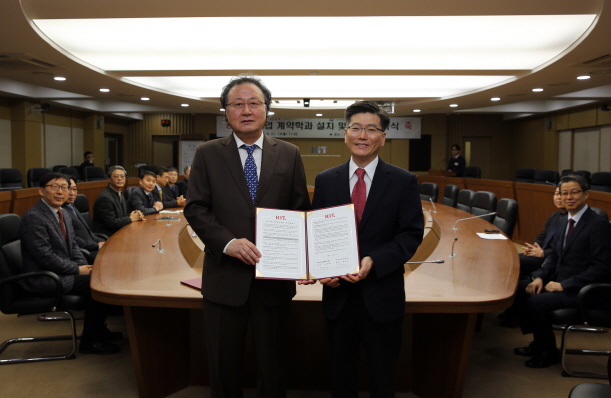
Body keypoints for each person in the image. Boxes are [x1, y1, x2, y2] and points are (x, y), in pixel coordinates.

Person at [184, 75, 310, 397]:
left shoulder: (290, 153)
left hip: (275, 279)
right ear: (225, 111)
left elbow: (299, 210)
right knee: (224, 367)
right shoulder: (207, 153)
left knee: (273, 365)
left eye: (254, 103)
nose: (246, 110)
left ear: (267, 110)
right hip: (225, 279)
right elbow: (196, 208)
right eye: (237, 104)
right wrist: (228, 242)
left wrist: (306, 259)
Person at [306, 101, 424, 397]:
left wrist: (374, 259)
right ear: (345, 134)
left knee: (383, 376)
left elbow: (410, 235)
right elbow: (315, 231)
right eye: (355, 128)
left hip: (382, 294)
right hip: (338, 296)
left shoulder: (403, 181)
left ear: (383, 137)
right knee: (340, 375)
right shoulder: (325, 180)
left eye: (371, 129)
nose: (362, 135)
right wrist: (322, 270)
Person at [513, 175, 611, 368]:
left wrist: (563, 285)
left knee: (535, 302)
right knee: (520, 288)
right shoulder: (564, 221)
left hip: (584, 289)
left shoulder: (598, 225)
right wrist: (540, 277)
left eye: (574, 192)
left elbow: (602, 268)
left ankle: (549, 352)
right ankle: (538, 343)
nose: (569, 197)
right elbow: (555, 257)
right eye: (564, 193)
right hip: (560, 280)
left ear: (586, 194)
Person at [19, 172, 120, 355]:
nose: (61, 191)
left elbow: (73, 245)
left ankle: (98, 330)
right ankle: (90, 341)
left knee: (99, 275)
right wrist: (76, 270)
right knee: (97, 285)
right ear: (41, 191)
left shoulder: (63, 212)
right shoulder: (34, 217)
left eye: (64, 187)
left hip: (62, 271)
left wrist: (83, 266)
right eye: (54, 187)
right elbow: (45, 257)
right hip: (44, 278)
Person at [499, 186, 567, 327]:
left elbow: (566, 249)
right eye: (556, 194)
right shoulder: (554, 216)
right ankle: (514, 310)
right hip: (541, 256)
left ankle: (514, 312)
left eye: (563, 194)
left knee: (514, 262)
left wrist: (542, 253)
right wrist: (534, 247)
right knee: (516, 265)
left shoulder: (571, 221)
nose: (559, 197)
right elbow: (542, 236)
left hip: (552, 260)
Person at [62, 175, 105, 262]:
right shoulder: (61, 211)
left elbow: (88, 232)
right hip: (85, 253)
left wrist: (104, 242)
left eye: (74, 189)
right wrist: (96, 246)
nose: (72, 193)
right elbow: (72, 239)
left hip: (92, 247)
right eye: (68, 189)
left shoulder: (72, 206)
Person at [93, 165, 144, 237]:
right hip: (107, 236)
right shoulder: (105, 198)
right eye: (116, 176)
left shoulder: (119, 193)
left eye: (122, 176)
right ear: (109, 179)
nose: (120, 179)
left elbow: (120, 216)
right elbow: (111, 223)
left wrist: (135, 215)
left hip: (119, 231)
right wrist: (130, 218)